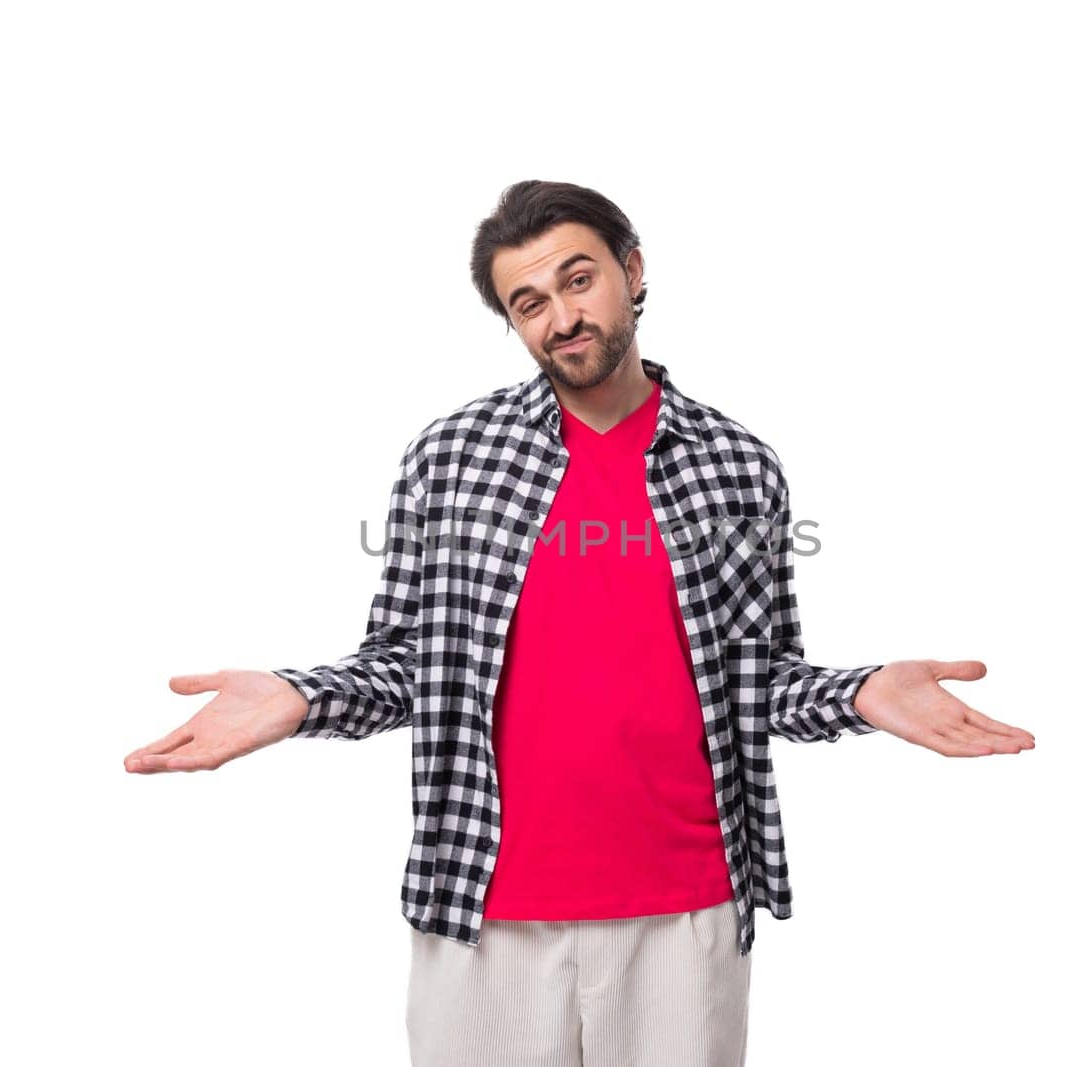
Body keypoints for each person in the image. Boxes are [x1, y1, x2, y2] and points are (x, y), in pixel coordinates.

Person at [124, 180, 1036, 1067]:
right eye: (528, 302)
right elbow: (406, 663)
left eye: (578, 278)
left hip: (688, 911)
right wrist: (299, 696)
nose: (560, 316)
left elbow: (758, 679)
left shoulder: (739, 467)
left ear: (632, 270)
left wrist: (861, 692)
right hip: (483, 909)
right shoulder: (450, 458)